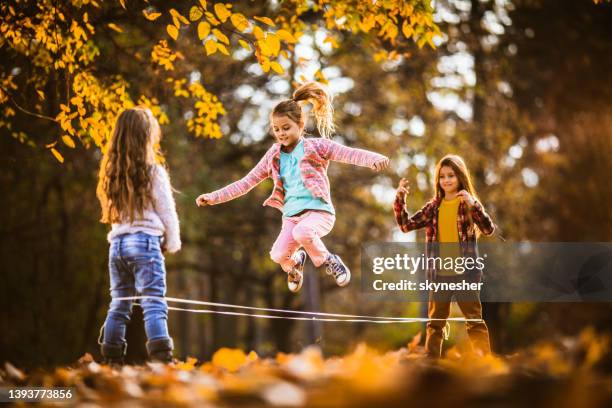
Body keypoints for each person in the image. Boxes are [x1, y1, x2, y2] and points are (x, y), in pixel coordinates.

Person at [196, 82, 389, 292]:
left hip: (319, 213)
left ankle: (331, 261)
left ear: (300, 124)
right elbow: (246, 182)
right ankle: (295, 265)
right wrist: (213, 197)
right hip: (291, 217)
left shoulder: (315, 146)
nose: (281, 133)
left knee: (303, 232)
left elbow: (347, 153)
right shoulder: (274, 155)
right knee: (278, 255)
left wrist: (374, 159)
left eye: (286, 128)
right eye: (276, 129)